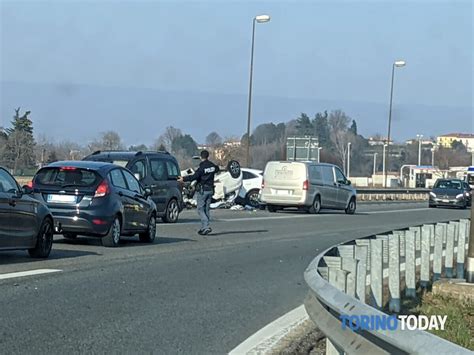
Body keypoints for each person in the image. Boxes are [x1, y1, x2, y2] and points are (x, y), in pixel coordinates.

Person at [178, 150, 219, 235]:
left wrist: (183, 179)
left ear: (201, 157)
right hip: (211, 190)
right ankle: (204, 228)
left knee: (200, 209)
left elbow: (195, 176)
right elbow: (217, 168)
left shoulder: (202, 166)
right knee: (206, 209)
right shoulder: (212, 165)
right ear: (208, 156)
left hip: (203, 190)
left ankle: (206, 226)